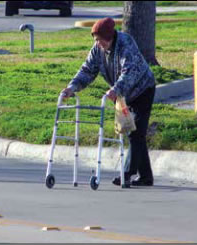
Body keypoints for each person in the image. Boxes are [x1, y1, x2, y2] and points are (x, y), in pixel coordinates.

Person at [61, 17, 156, 187]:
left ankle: (126, 173)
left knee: (136, 132)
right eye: (95, 40)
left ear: (109, 36)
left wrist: (116, 89)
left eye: (99, 40)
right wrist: (71, 88)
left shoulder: (125, 44)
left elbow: (130, 71)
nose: (97, 44)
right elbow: (87, 70)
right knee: (133, 133)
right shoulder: (97, 50)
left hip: (143, 89)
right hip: (123, 95)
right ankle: (146, 177)